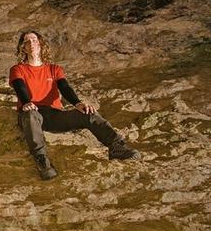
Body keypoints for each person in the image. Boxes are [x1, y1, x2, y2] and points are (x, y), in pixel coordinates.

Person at [9, 29, 137, 180]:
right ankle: (42, 161)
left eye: (35, 40)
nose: (32, 44)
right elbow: (19, 86)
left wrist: (78, 103)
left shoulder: (54, 69)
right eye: (27, 42)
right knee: (30, 115)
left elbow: (64, 87)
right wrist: (27, 102)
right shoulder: (18, 69)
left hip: (53, 115)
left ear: (41, 44)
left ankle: (117, 147)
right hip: (32, 113)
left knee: (88, 113)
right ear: (23, 48)